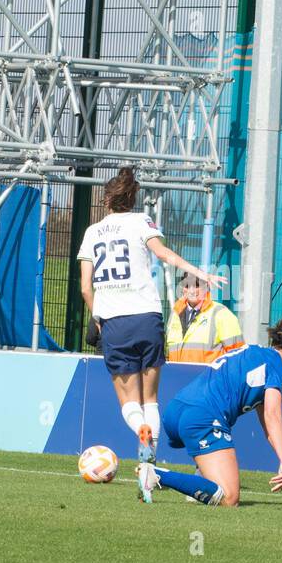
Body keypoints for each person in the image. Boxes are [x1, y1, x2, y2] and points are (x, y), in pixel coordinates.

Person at [77, 166, 225, 501]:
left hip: (114, 321)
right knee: (151, 399)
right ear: (133, 198)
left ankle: (138, 432)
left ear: (106, 199)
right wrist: (199, 273)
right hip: (147, 316)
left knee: (128, 402)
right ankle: (149, 466)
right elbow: (163, 254)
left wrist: (97, 315)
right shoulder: (142, 221)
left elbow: (86, 286)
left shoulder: (91, 232)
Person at [140, 318, 282, 508]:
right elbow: (273, 416)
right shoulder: (276, 367)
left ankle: (200, 483)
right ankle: (154, 475)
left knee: (216, 467)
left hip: (177, 411)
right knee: (229, 498)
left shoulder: (254, 354)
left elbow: (270, 428)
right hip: (203, 417)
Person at [165, 272, 244, 364]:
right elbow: (167, 353)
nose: (192, 291)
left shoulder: (221, 313)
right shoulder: (175, 314)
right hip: (177, 376)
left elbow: (238, 356)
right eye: (187, 285)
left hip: (210, 377)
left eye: (196, 285)